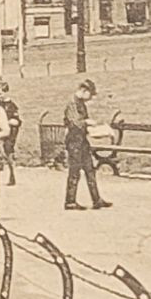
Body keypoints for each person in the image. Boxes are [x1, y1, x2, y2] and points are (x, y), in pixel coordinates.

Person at [63, 79, 112, 211]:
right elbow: (75, 123)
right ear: (84, 91)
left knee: (90, 170)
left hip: (82, 141)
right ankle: (70, 201)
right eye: (90, 94)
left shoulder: (81, 104)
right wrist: (88, 122)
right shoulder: (72, 104)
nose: (90, 98)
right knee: (74, 171)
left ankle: (96, 199)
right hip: (74, 142)